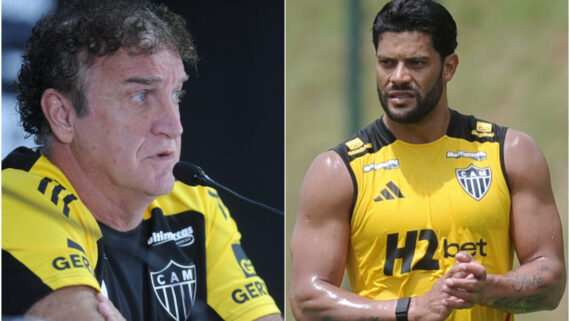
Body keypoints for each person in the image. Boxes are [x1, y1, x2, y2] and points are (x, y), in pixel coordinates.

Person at [2, 1, 282, 320]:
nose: (174, 127)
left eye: (176, 95)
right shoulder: (17, 201)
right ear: (63, 115)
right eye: (140, 97)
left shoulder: (193, 203)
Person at [289, 0, 566, 320]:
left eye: (416, 63)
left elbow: (551, 280)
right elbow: (306, 299)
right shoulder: (338, 171)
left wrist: (489, 288)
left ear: (449, 67)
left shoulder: (511, 153)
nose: (399, 77)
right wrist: (412, 310)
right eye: (387, 63)